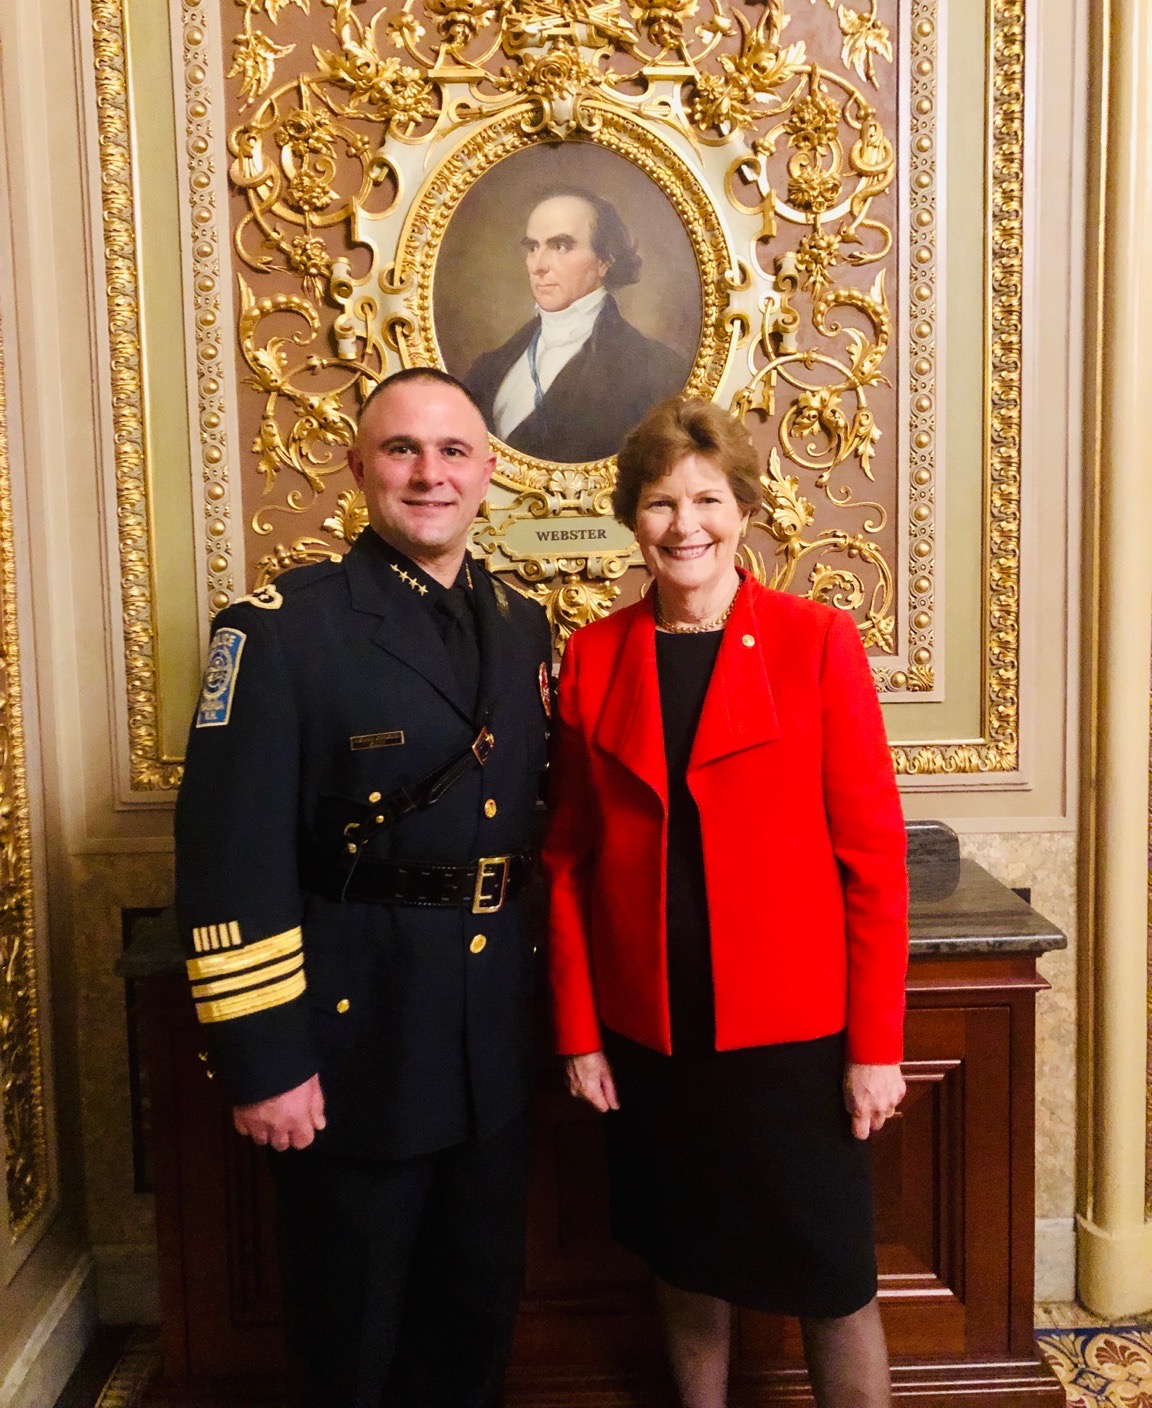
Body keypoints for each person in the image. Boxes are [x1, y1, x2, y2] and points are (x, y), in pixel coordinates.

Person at [174, 367, 553, 1408]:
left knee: (474, 1316)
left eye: (453, 452)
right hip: (355, 1042)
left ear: (488, 473)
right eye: (402, 450)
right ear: (358, 469)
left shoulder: (521, 625)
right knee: (352, 1333)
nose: (429, 474)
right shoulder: (281, 629)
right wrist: (263, 1059)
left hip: (489, 1045)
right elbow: (227, 853)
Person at [544, 396, 908, 1408]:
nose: (684, 524)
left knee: (832, 1280)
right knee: (684, 1263)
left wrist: (875, 1048)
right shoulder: (594, 656)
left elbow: (873, 861)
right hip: (653, 1033)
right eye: (660, 502)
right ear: (634, 518)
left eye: (707, 498)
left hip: (793, 1034)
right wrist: (580, 1034)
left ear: (745, 509)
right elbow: (566, 860)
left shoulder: (816, 641)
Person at [465, 186, 690, 463]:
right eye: (533, 247)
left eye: (560, 246)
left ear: (604, 261)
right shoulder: (489, 368)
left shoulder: (657, 372)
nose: (538, 265)